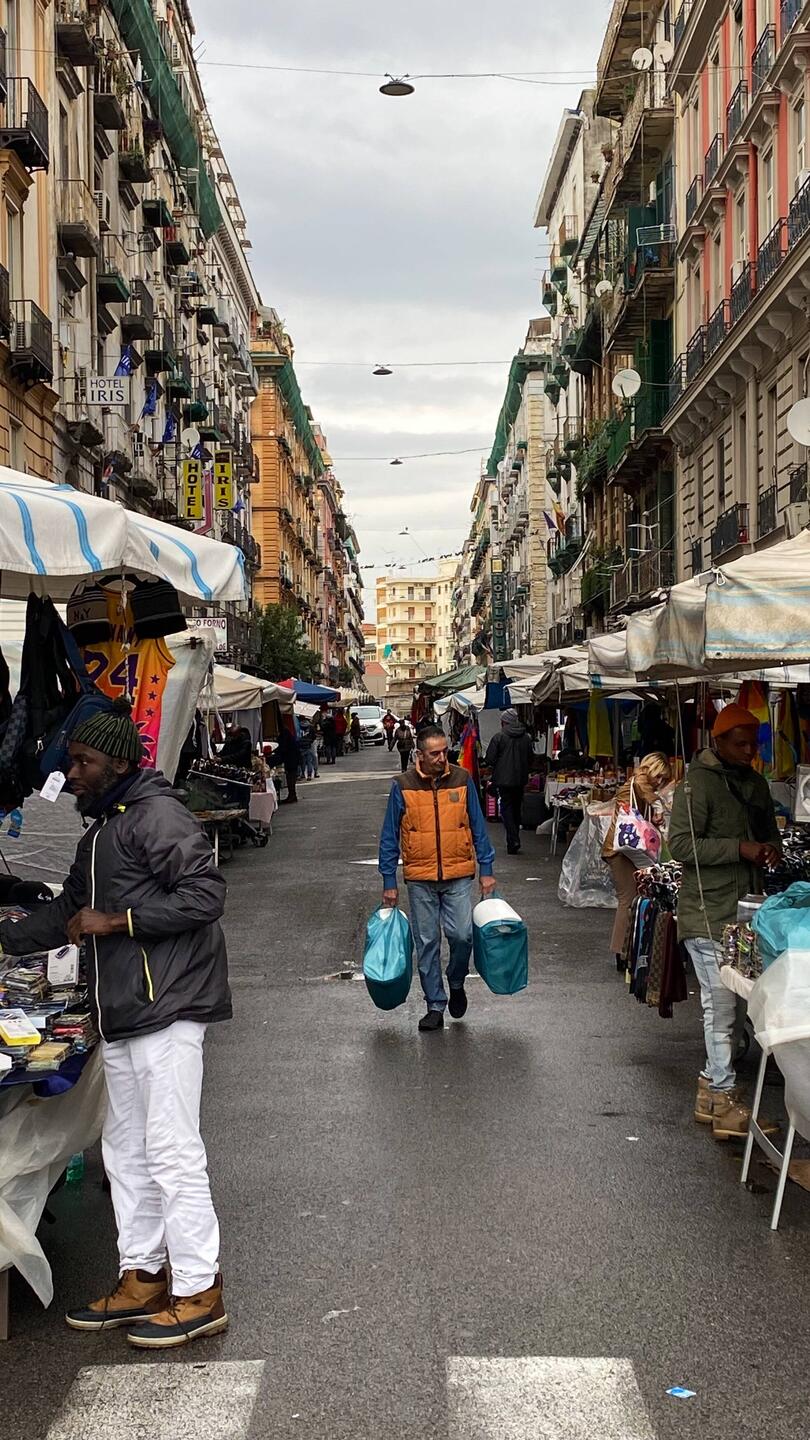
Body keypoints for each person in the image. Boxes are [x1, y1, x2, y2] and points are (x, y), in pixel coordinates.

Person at [0, 700, 230, 1347]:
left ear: (120, 762)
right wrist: (6, 938)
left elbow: (206, 896)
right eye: (72, 760)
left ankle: (199, 1289)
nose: (71, 772)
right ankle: (143, 1276)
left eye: (83, 761)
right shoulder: (104, 831)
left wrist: (119, 922)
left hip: (168, 1010)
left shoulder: (159, 817)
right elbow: (68, 912)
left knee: (172, 1151)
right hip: (124, 1015)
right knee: (124, 1151)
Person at [669, 704, 782, 1140]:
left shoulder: (754, 782)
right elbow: (680, 845)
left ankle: (712, 1094)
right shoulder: (696, 786)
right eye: (741, 743)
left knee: (740, 1007)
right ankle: (721, 1091)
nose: (751, 750)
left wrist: (767, 847)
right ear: (719, 741)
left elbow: (766, 833)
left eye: (755, 742)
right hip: (708, 913)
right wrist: (740, 849)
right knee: (721, 1010)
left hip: (748, 912)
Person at [379, 725, 496, 1031]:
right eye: (435, 753)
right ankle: (435, 1005)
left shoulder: (462, 779)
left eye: (445, 751)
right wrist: (389, 880)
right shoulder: (402, 785)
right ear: (419, 754)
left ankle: (456, 981)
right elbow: (389, 836)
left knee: (462, 935)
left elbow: (477, 825)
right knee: (427, 942)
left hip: (458, 873)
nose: (442, 758)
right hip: (420, 877)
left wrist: (487, 869)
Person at [603, 752, 672, 968]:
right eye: (659, 776)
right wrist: (660, 807)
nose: (660, 781)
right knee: (628, 898)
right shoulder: (639, 781)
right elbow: (647, 792)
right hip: (621, 851)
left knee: (633, 898)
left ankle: (628, 950)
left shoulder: (636, 783)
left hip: (628, 850)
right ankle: (621, 953)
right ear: (652, 768)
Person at [484, 708, 535, 855]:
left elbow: (490, 759)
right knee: (516, 807)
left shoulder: (499, 737)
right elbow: (530, 759)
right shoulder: (526, 737)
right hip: (520, 779)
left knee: (506, 809)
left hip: (503, 780)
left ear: (504, 722)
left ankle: (513, 839)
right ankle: (515, 837)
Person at [274, 724, 301, 803]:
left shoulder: (284, 734)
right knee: (291, 777)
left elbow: (283, 747)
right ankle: (292, 795)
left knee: (291, 777)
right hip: (292, 758)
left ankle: (292, 795)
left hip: (291, 759)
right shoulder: (286, 733)